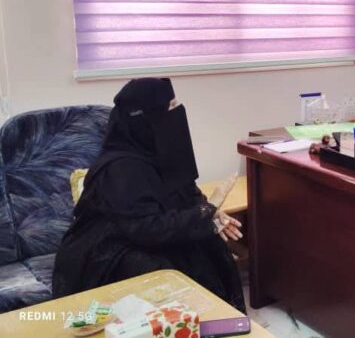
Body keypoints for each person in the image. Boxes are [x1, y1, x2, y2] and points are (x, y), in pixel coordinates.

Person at [52, 78, 245, 313]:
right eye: (170, 107)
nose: (177, 113)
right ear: (146, 117)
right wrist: (209, 207)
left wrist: (210, 212)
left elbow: (185, 193)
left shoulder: (161, 150)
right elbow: (145, 229)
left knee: (209, 242)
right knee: (157, 267)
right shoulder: (119, 168)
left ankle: (220, 321)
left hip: (152, 233)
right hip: (110, 247)